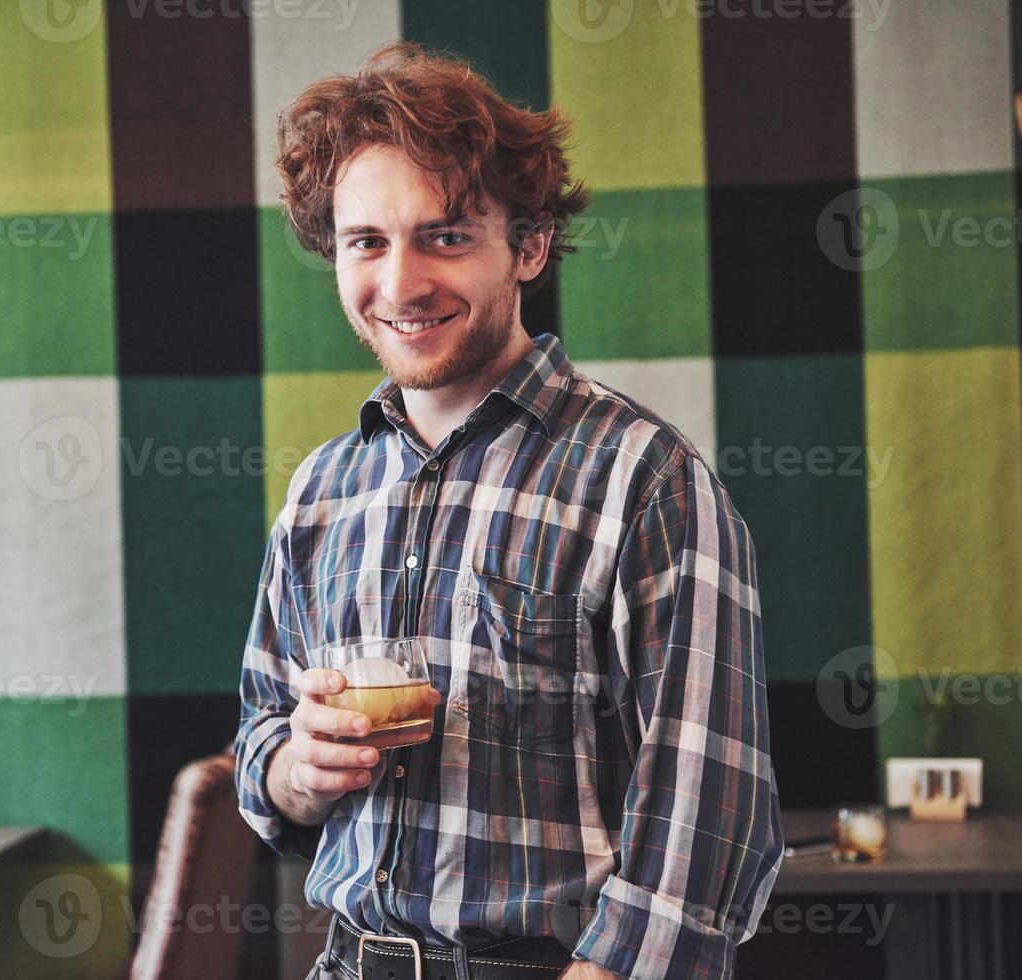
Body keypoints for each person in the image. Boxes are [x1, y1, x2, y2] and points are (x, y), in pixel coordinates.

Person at [235, 42, 783, 980]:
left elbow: (708, 822)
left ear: (526, 245)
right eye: (367, 241)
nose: (400, 284)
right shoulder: (321, 491)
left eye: (444, 235)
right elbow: (260, 742)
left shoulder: (643, 477)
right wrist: (296, 770)